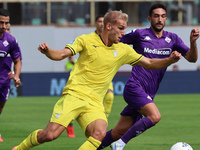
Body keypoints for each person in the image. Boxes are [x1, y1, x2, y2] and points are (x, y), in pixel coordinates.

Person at [12, 10, 181, 150]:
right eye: (121, 28)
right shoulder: (85, 40)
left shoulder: (123, 50)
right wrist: (48, 52)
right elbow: (61, 54)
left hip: (94, 102)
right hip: (74, 95)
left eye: (125, 29)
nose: (124, 33)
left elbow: (150, 62)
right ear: (108, 26)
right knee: (49, 135)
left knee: (99, 134)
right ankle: (18, 149)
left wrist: (170, 60)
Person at [97, 2, 199, 150]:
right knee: (155, 116)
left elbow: (192, 58)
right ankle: (120, 145)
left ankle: (90, 148)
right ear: (149, 18)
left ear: (166, 19)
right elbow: (114, 41)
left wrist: (193, 42)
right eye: (156, 16)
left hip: (148, 94)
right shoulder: (139, 34)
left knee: (117, 132)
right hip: (135, 87)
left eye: (163, 16)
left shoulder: (173, 39)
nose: (160, 19)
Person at [66, 15, 115, 138]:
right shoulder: (89, 38)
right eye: (99, 21)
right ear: (95, 24)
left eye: (104, 21)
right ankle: (69, 123)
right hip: (87, 78)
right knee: (75, 104)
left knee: (109, 97)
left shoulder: (113, 39)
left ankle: (101, 120)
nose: (101, 24)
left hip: (104, 77)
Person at [0, 9, 22, 142]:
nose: (3, 26)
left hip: (4, 81)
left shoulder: (11, 40)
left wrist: (17, 75)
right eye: (1, 22)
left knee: (0, 108)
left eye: (6, 23)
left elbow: (17, 60)